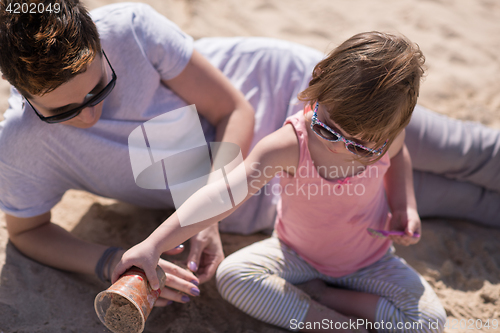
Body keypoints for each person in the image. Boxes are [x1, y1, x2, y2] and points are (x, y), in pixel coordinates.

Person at [1, 0, 499, 308]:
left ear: (97, 41)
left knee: (470, 154)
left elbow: (231, 107)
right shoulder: (20, 144)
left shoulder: (130, 29)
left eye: (97, 90)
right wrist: (109, 261)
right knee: (463, 202)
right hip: (280, 198)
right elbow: (26, 232)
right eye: (62, 111)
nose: (89, 115)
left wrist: (206, 215)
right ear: (19, 90)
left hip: (317, 110)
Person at [112, 31, 447, 332]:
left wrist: (405, 205)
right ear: (319, 82)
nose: (339, 148)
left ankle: (323, 296)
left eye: (360, 146)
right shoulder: (290, 145)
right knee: (234, 278)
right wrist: (153, 245)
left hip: (370, 260)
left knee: (431, 322)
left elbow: (399, 158)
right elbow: (223, 193)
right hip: (293, 253)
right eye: (327, 128)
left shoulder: (388, 139)